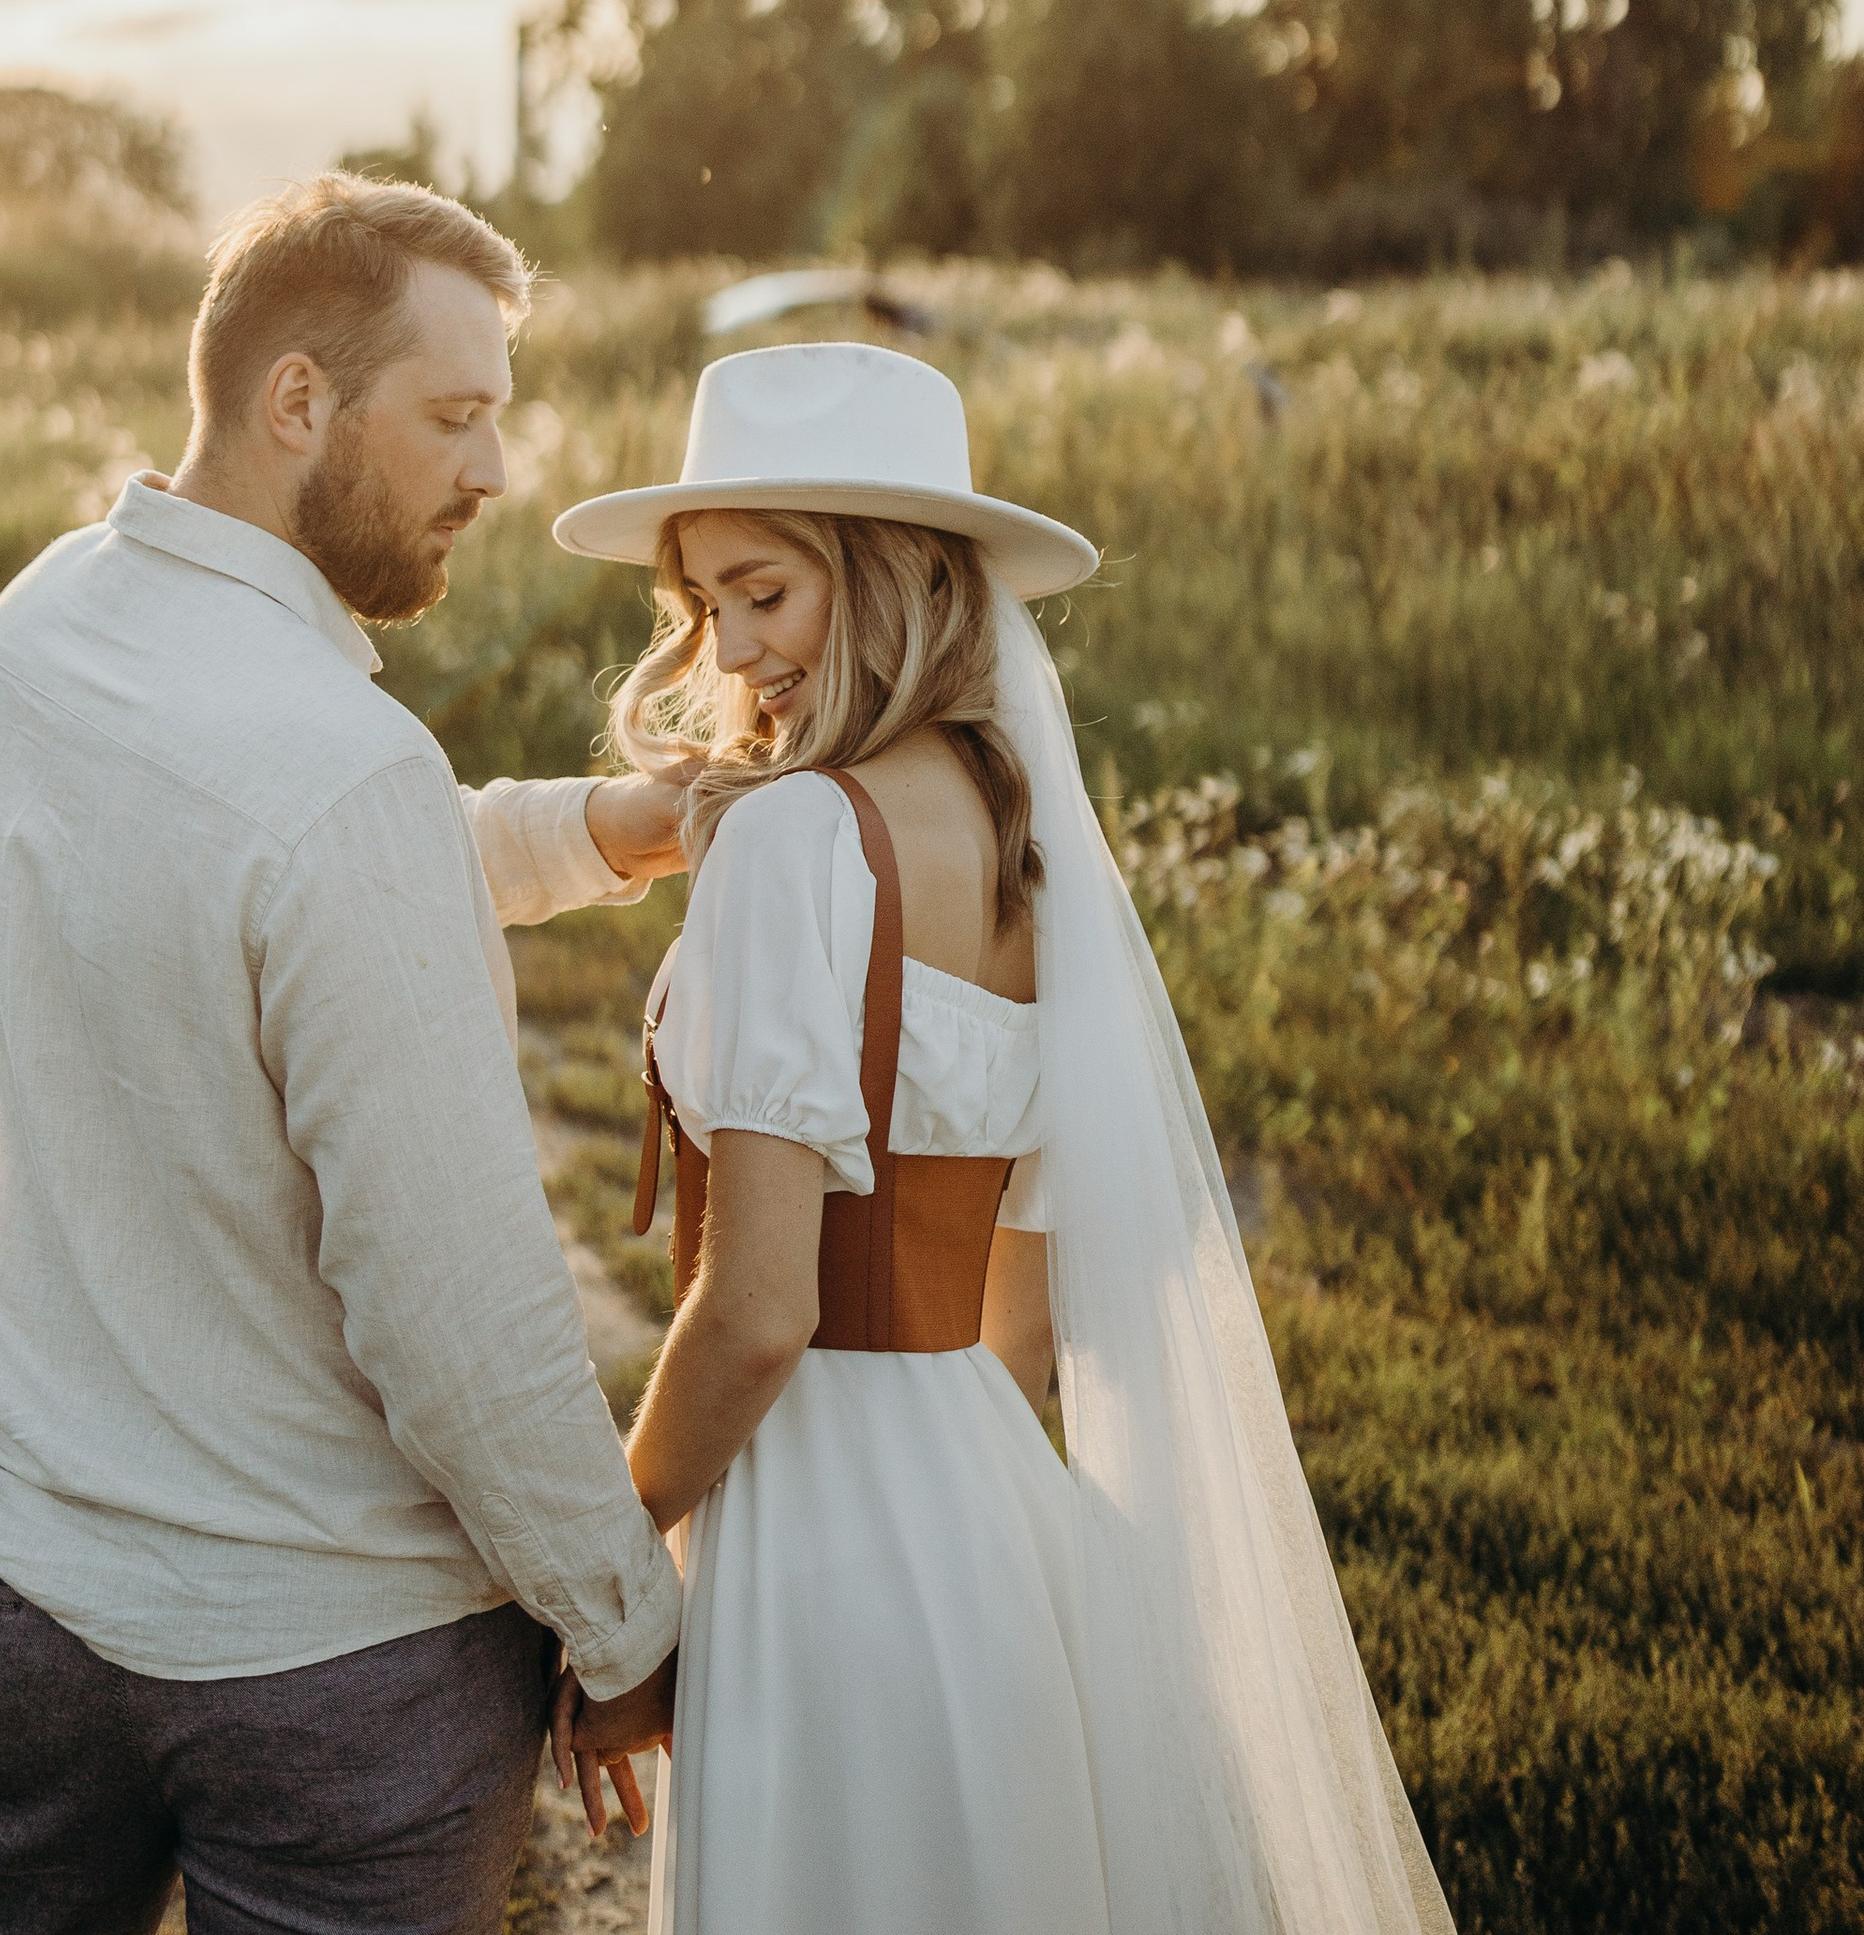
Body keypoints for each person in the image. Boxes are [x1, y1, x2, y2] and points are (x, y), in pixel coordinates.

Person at [547, 340, 1455, 1935]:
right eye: (700, 605)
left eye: (764, 593)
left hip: (817, 1552)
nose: (729, 650)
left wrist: (607, 1585)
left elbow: (758, 1313)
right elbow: (1020, 1317)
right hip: (993, 1536)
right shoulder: (1024, 844)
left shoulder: (793, 839)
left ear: (892, 576)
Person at [0, 172, 684, 1935]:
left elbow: (240, 870)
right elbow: (456, 1314)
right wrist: (623, 1621)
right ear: (298, 400)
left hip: (7, 1593)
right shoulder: (343, 776)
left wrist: (592, 829)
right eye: (454, 418)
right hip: (335, 1679)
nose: (494, 471)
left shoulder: (44, 628)